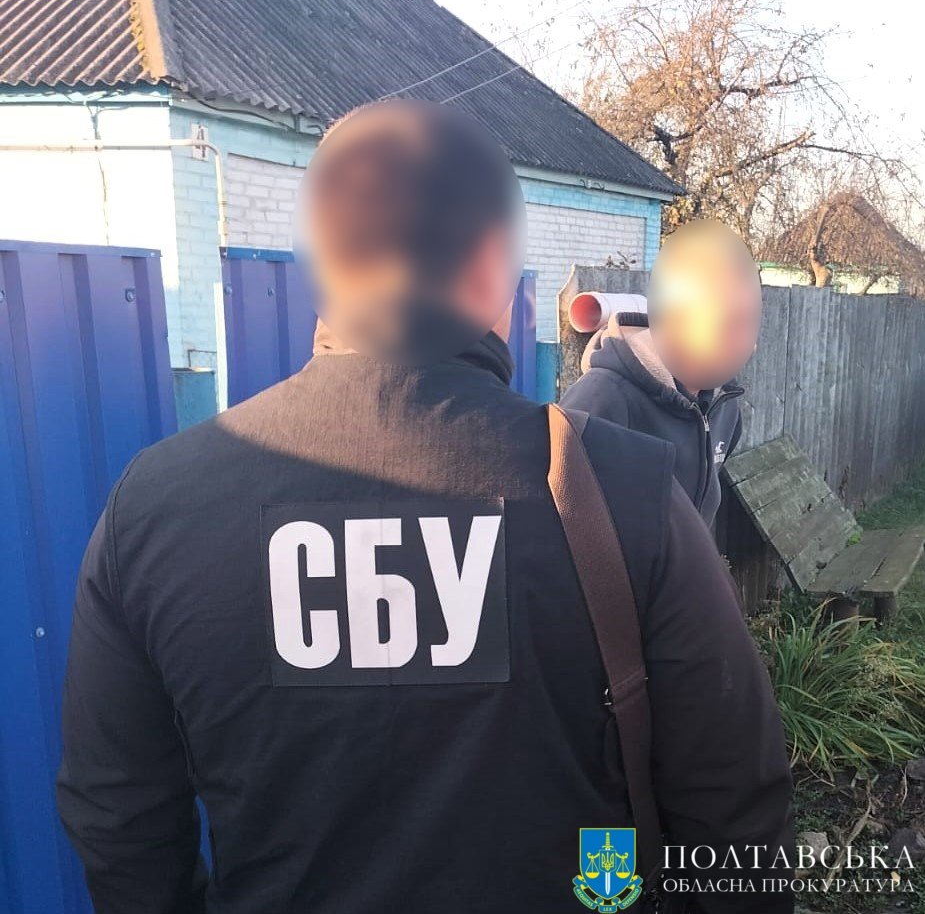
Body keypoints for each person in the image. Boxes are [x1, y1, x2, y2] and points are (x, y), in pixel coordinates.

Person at [57, 100, 793, 914]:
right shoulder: (626, 489)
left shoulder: (155, 509)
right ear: (490, 268)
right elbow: (733, 802)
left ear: (320, 267)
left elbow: (118, 818)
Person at [561, 221, 761, 528]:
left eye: (749, 323)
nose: (748, 344)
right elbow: (560, 520)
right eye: (730, 323)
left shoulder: (725, 404)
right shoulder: (600, 400)